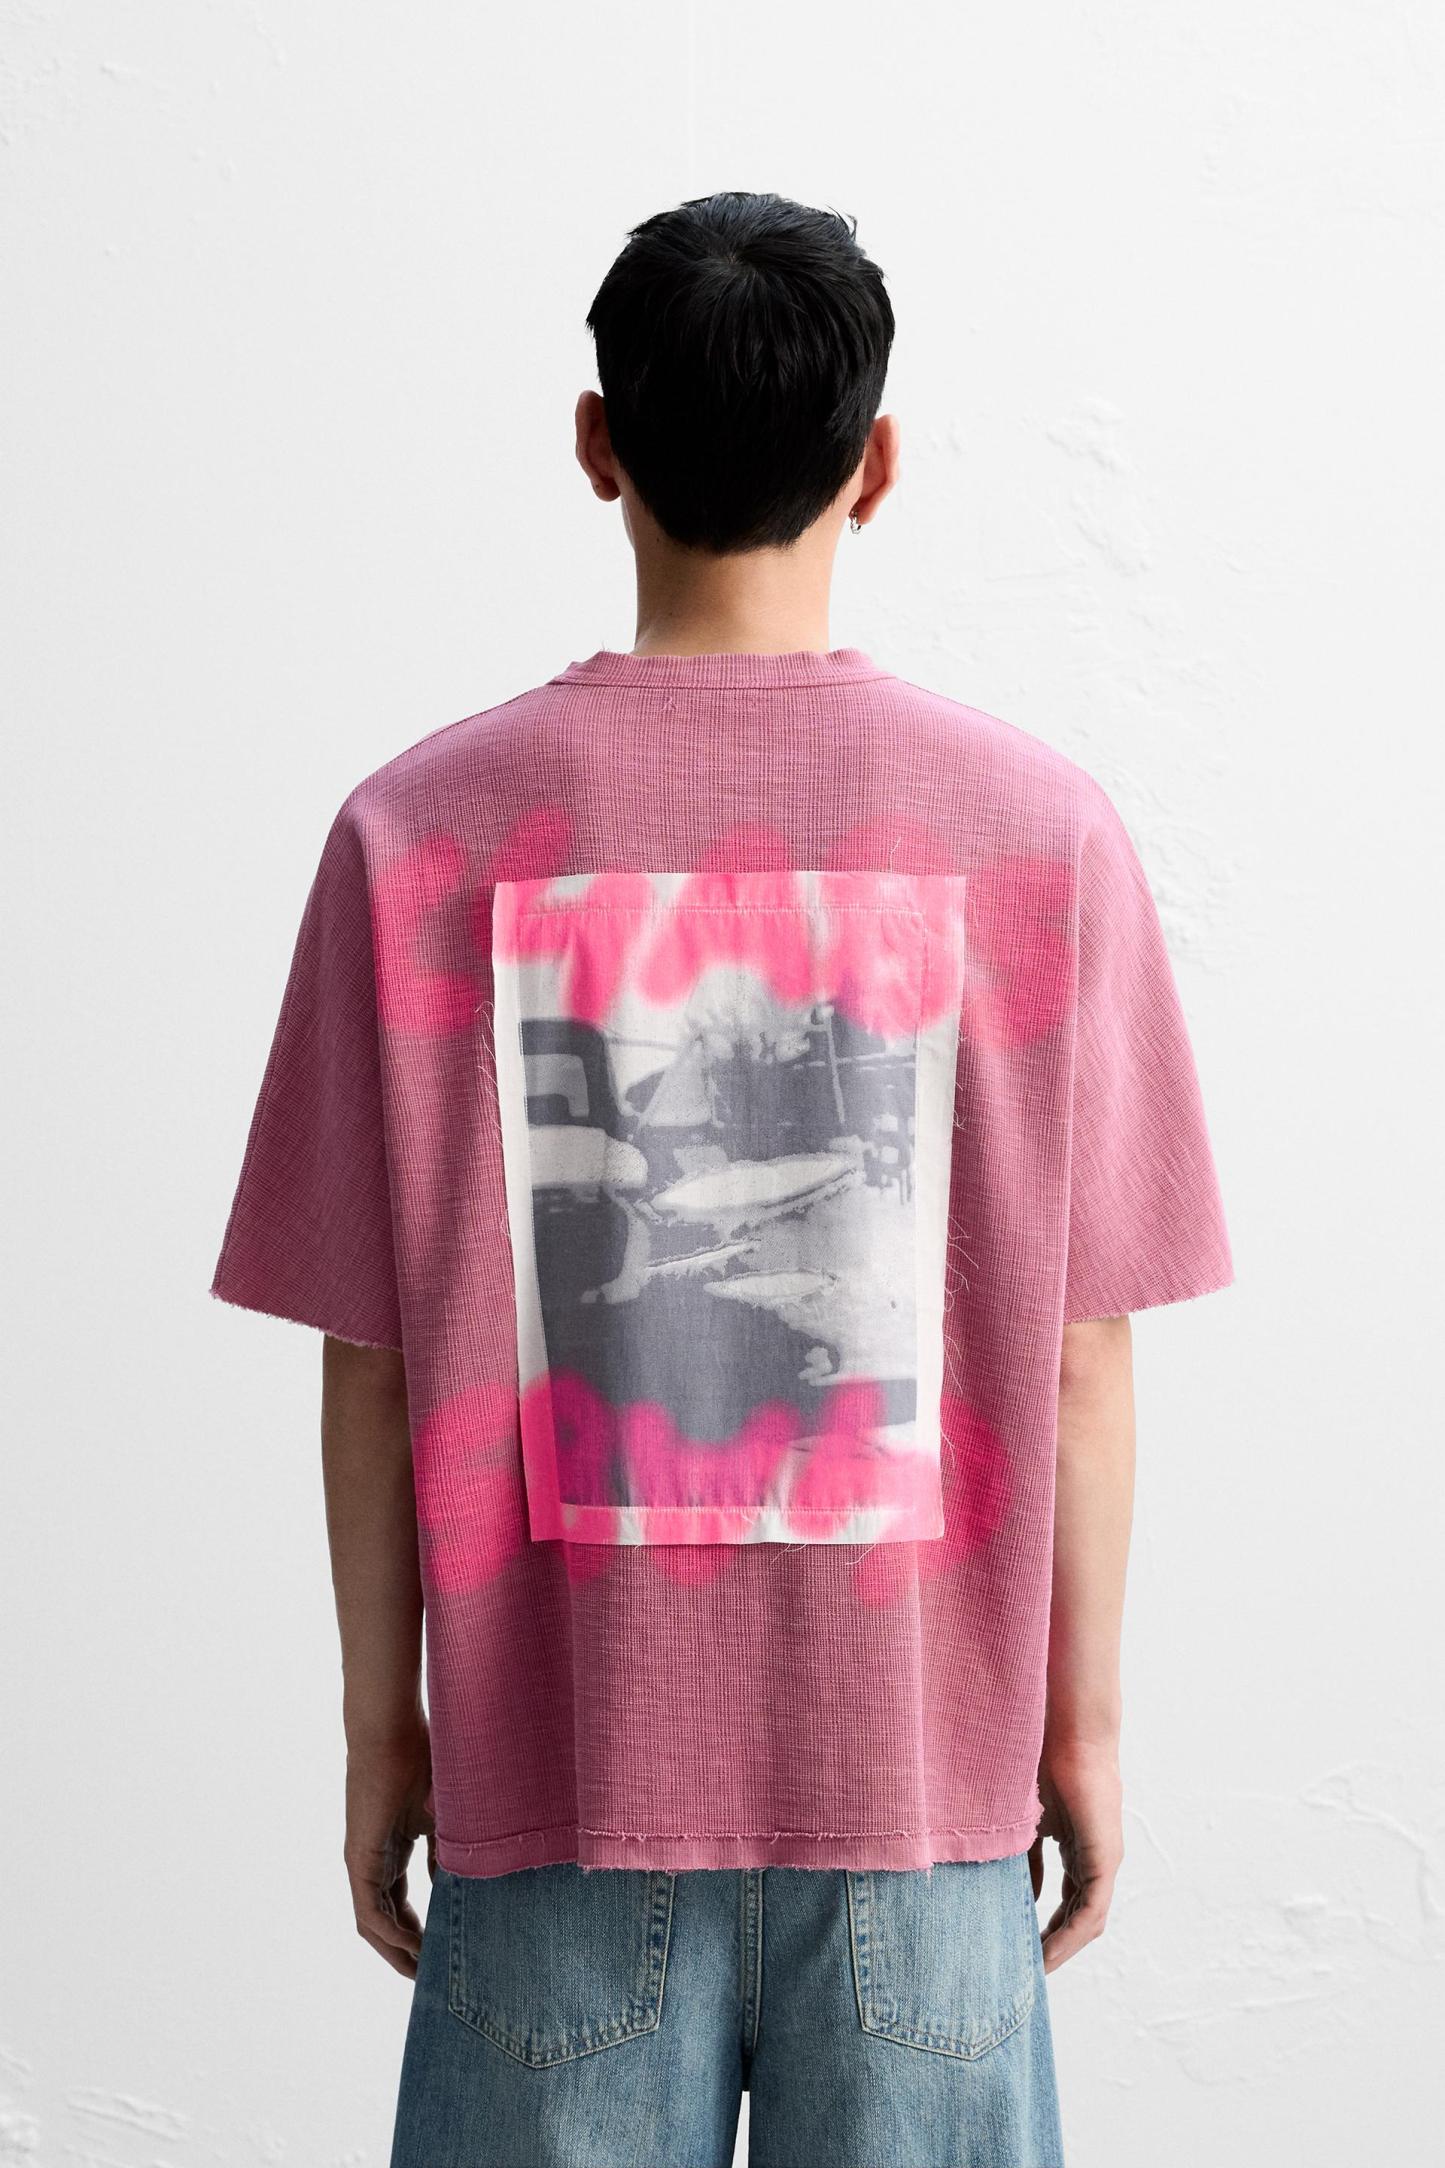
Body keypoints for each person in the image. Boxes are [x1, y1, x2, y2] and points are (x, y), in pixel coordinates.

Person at [210, 191, 1234, 2168]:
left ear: (597, 444)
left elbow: (370, 1359)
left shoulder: (417, 835)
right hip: (915, 1798)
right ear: (879, 463)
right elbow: (1082, 1354)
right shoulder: (1039, 835)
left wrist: (381, 1738)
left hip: (557, 1793)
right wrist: (1081, 1735)